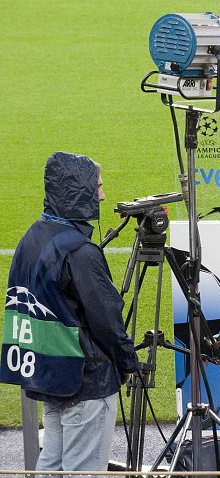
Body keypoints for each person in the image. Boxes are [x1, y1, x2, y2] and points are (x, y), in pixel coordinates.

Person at [0, 152, 139, 472]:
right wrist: (129, 361)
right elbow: (106, 318)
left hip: (51, 376)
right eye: (97, 187)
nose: (103, 195)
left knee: (51, 464)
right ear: (79, 190)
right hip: (86, 381)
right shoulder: (80, 252)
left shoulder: (31, 237)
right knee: (83, 469)